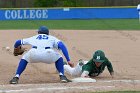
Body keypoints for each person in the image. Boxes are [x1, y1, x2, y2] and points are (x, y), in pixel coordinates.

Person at [9, 26, 74, 84]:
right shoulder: (52, 38)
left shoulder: (34, 37)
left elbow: (17, 42)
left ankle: (16, 77)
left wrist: (16, 48)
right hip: (48, 54)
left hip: (34, 54)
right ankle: (62, 76)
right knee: (59, 57)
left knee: (24, 58)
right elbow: (62, 46)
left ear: (39, 32)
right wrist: (68, 60)